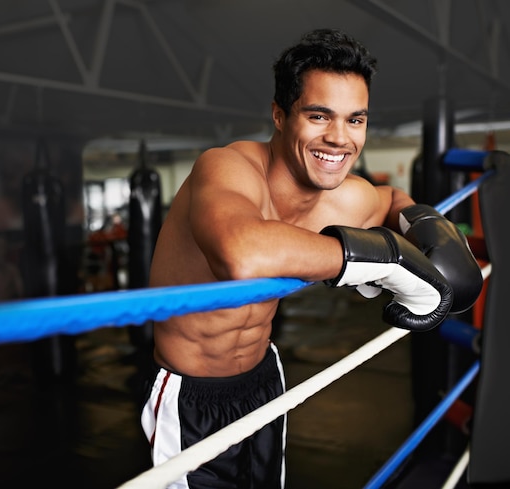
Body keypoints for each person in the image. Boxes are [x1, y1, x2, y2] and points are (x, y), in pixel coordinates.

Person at [140, 28, 483, 489]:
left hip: (264, 379)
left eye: (355, 120)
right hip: (189, 396)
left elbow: (391, 199)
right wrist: (386, 260)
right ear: (280, 115)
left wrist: (427, 226)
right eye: (319, 116)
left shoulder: (342, 197)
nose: (340, 139)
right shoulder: (226, 167)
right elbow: (241, 254)